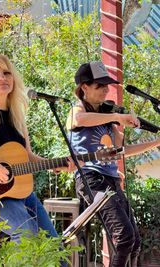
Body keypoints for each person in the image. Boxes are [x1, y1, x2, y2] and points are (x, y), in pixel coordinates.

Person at [0, 53, 76, 245]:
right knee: (27, 236)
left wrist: (54, 164)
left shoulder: (17, 116)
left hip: (21, 192)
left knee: (54, 247)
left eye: (7, 73)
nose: (3, 78)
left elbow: (26, 156)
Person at [66, 61, 160, 267]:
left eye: (107, 85)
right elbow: (78, 120)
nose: (107, 90)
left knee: (134, 242)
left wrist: (154, 142)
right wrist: (116, 115)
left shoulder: (107, 117)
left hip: (111, 180)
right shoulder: (77, 109)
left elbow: (120, 152)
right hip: (91, 178)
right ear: (84, 88)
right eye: (100, 86)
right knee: (125, 237)